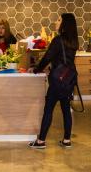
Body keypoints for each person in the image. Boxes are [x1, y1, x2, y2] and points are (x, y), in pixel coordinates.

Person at [29, 13, 79, 150]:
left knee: (49, 109)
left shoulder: (58, 40)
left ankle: (41, 141)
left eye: (58, 20)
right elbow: (64, 60)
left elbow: (47, 57)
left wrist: (36, 69)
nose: (56, 22)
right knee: (65, 109)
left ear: (64, 24)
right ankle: (67, 140)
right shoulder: (74, 41)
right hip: (68, 79)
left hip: (57, 81)